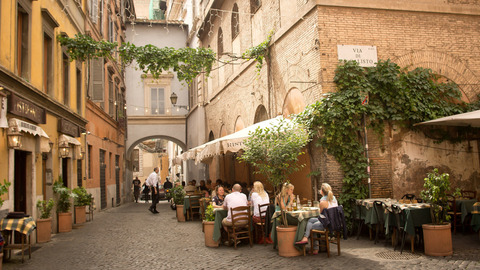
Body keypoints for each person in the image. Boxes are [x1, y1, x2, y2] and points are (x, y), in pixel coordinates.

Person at [295, 183, 338, 254]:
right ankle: (306, 238)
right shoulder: (334, 199)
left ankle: (315, 248)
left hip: (327, 224)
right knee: (310, 220)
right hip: (334, 222)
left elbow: (321, 217)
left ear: (321, 191)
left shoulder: (323, 202)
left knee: (311, 226)